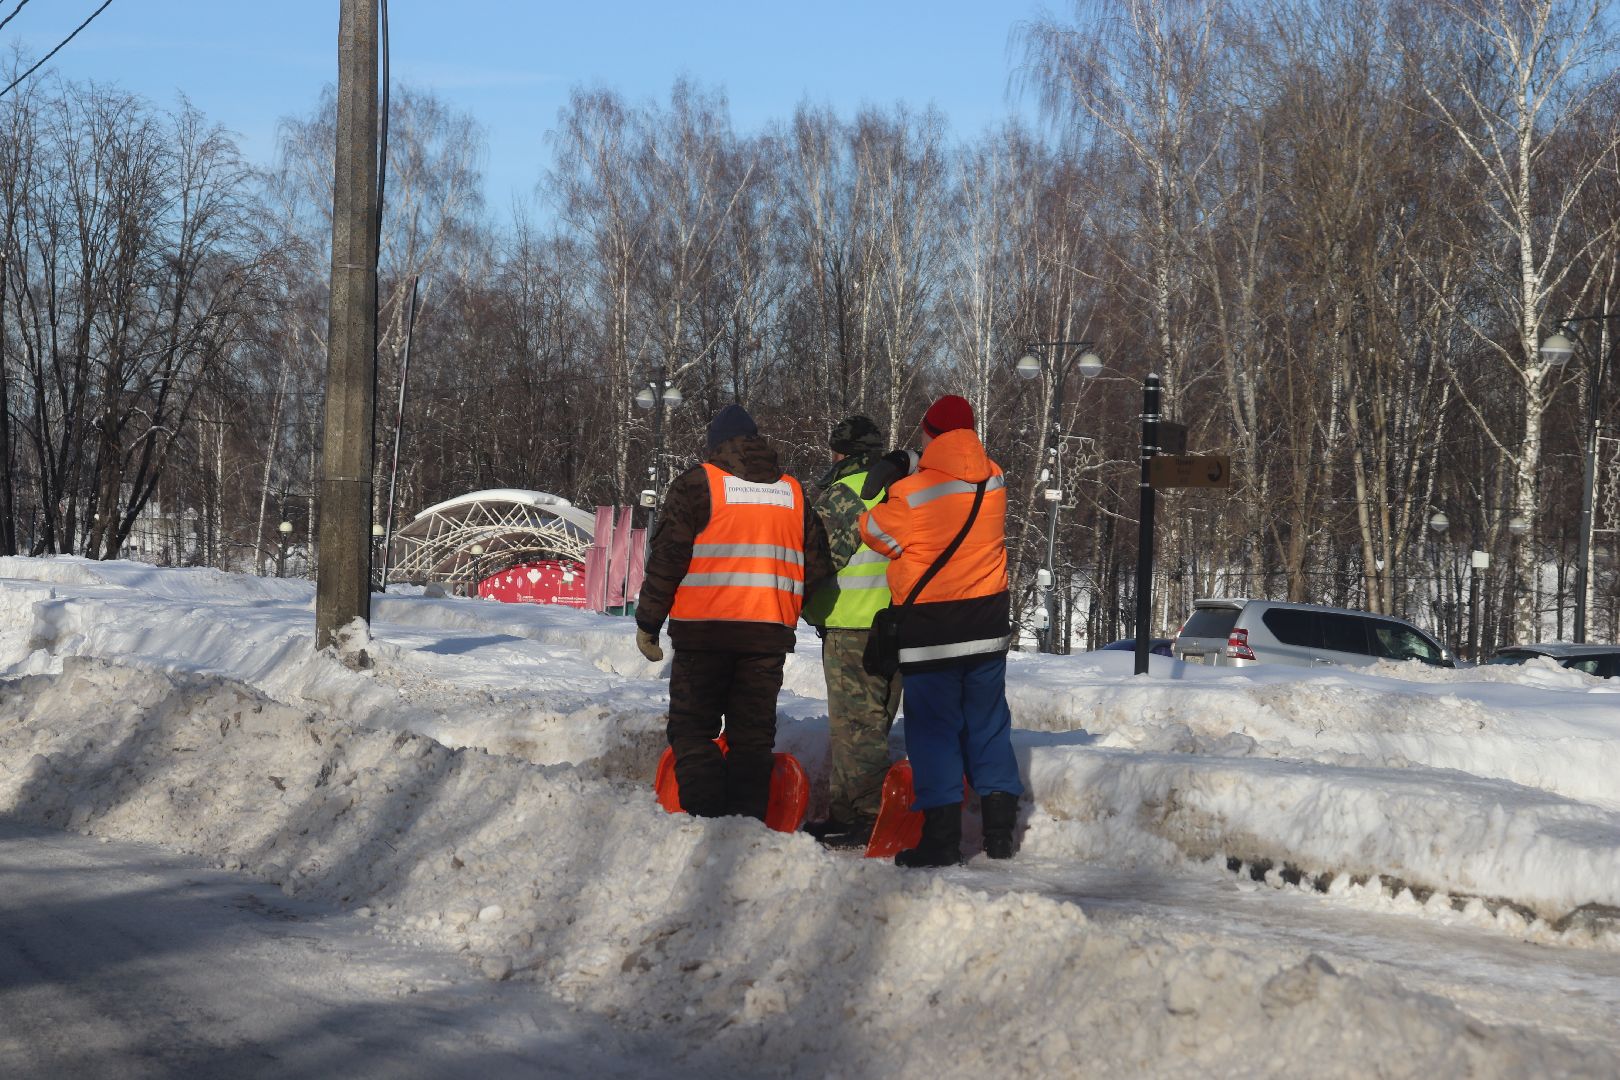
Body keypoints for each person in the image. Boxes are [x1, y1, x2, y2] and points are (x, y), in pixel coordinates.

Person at [635, 404, 832, 820]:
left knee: (692, 730)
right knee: (752, 739)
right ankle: (744, 827)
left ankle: (709, 821)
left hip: (703, 636)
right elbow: (817, 567)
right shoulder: (792, 493)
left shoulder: (697, 485)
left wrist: (649, 621)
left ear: (716, 447)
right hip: (766, 637)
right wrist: (784, 601)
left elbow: (667, 559)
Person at [859, 394, 1023, 866]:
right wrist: (920, 461)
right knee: (989, 725)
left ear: (928, 433)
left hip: (932, 632)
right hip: (987, 625)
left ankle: (942, 840)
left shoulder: (912, 494)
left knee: (934, 732)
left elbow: (874, 533)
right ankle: (999, 835)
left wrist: (893, 480)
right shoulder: (994, 479)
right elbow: (956, 467)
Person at [800, 416, 904, 848]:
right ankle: (845, 814)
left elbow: (818, 557)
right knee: (873, 723)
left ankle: (867, 817)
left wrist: (790, 598)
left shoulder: (847, 493)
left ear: (839, 453)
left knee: (856, 729)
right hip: (898, 625)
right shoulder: (902, 487)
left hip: (853, 626)